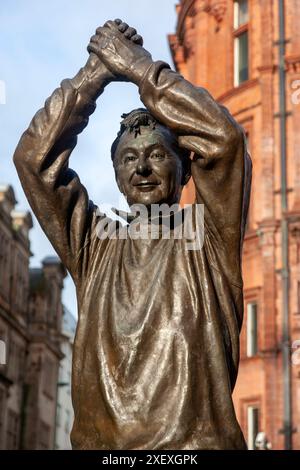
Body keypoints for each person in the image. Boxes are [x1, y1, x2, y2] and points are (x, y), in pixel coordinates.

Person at [13, 19, 251, 449]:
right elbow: (34, 160)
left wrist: (139, 68)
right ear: (119, 179)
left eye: (158, 155)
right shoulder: (94, 246)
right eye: (128, 160)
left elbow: (226, 140)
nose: (141, 169)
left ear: (184, 171)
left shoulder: (210, 242)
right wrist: (95, 74)